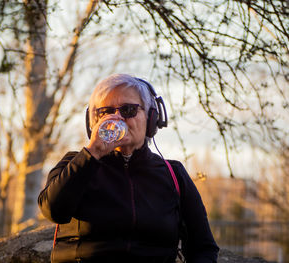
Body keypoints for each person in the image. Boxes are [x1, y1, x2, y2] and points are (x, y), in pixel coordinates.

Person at [38, 74, 219, 263]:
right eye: (105, 112)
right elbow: (54, 211)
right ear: (93, 123)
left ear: (151, 118)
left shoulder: (173, 174)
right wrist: (92, 153)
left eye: (128, 110)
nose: (117, 119)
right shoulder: (76, 164)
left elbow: (203, 247)